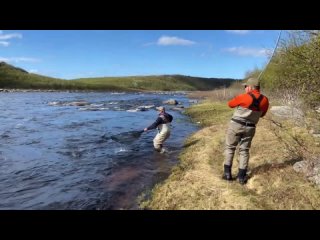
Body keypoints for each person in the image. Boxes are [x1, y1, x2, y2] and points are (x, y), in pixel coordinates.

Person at [222, 77, 269, 184]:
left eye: (245, 86)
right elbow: (262, 114)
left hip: (236, 125)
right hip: (251, 128)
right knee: (244, 150)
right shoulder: (265, 100)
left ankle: (227, 174)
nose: (244, 88)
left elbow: (230, 104)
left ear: (250, 87)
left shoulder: (243, 97)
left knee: (230, 148)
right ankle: (241, 177)